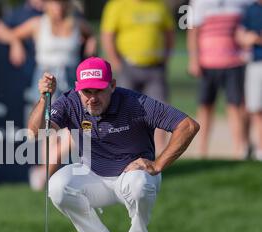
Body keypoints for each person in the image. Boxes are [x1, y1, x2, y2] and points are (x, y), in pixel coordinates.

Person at [28, 57, 199, 232]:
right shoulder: (70, 101)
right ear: (77, 89)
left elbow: (188, 126)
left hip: (132, 176)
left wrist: (158, 164)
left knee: (140, 183)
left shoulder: (136, 103)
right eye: (87, 92)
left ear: (112, 86)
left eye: (99, 90)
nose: (92, 98)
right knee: (57, 185)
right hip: (92, 175)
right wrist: (44, 98)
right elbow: (35, 133)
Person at [0, 0, 97, 191]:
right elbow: (2, 30)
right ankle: (49, 178)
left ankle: (43, 172)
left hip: (71, 80)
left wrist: (92, 41)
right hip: (47, 78)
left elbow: (92, 33)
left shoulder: (76, 23)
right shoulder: (37, 23)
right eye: (54, 3)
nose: (58, 7)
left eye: (61, 3)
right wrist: (15, 42)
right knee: (47, 131)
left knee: (78, 129)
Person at [100, 0, 175, 154]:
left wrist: (165, 58)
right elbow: (107, 36)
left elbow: (169, 33)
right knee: (124, 109)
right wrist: (116, 63)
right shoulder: (117, 5)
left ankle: (159, 152)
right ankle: (125, 148)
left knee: (160, 109)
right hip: (128, 67)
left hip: (155, 67)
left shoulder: (159, 5)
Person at [187, 0, 253, 159]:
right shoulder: (199, 3)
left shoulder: (242, 3)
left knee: (235, 106)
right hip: (207, 63)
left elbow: (248, 26)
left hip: (234, 63)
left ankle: (239, 149)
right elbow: (193, 32)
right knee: (205, 107)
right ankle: (202, 150)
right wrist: (194, 60)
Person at [236, 1, 262, 161]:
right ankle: (259, 149)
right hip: (255, 64)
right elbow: (241, 36)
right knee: (255, 109)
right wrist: (249, 38)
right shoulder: (251, 9)